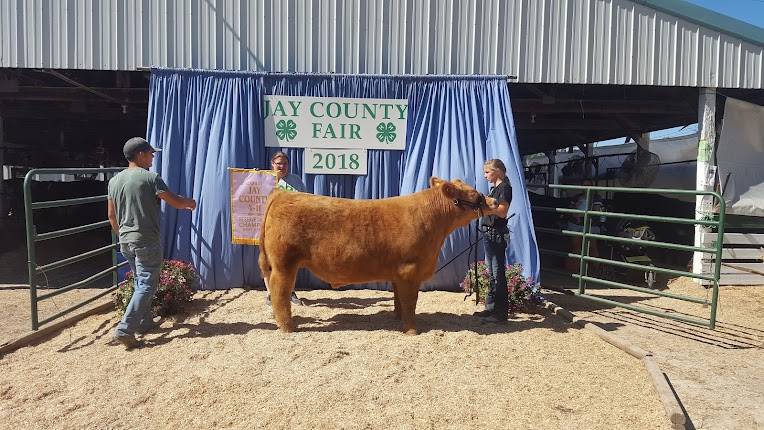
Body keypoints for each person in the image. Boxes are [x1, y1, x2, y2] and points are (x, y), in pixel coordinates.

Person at [108, 137, 196, 349]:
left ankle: (144, 323)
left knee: (140, 282)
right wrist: (189, 203)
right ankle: (125, 329)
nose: (153, 157)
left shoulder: (114, 181)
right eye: (150, 153)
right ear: (140, 155)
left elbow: (111, 216)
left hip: (126, 240)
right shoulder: (151, 178)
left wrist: (123, 234)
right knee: (147, 284)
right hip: (146, 239)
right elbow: (173, 200)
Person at [264, 151, 306, 307]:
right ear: (272, 164)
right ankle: (271, 293)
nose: (281, 166)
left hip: (292, 228)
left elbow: (305, 201)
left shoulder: (296, 180)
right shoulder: (264, 180)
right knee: (269, 260)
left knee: (291, 261)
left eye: (284, 163)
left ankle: (290, 291)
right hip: (270, 227)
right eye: (278, 163)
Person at [474, 159, 512, 324]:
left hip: (496, 233)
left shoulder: (505, 188)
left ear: (497, 171)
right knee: (492, 273)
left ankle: (500, 314)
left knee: (497, 274)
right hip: (490, 233)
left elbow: (502, 212)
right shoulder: (495, 189)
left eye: (487, 172)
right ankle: (490, 308)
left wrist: (485, 207)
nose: (485, 175)